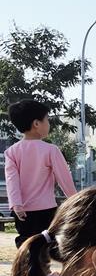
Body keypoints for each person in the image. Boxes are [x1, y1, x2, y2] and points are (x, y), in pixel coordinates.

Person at [4, 99, 77, 246]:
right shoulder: (51, 150)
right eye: (47, 120)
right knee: (48, 242)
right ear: (36, 124)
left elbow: (12, 181)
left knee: (27, 242)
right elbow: (65, 179)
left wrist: (16, 204)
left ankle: (26, 259)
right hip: (46, 209)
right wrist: (76, 201)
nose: (49, 124)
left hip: (22, 211)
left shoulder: (11, 152)